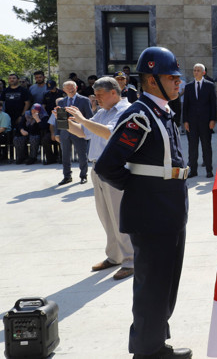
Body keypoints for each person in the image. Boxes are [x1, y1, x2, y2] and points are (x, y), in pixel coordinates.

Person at [94, 46, 191, 359]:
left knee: (166, 284)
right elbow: (107, 166)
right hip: (152, 214)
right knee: (152, 286)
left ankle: (156, 342)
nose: (178, 82)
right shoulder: (139, 116)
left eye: (177, 77)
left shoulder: (161, 112)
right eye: (171, 77)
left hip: (169, 210)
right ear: (151, 80)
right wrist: (139, 190)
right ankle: (148, 352)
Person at [65, 76, 134, 281]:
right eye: (95, 95)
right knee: (106, 216)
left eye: (100, 94)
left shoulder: (125, 110)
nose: (97, 99)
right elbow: (83, 132)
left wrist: (83, 119)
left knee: (120, 216)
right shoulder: (102, 112)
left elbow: (109, 133)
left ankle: (131, 259)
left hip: (115, 169)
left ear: (114, 92)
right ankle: (114, 256)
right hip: (97, 168)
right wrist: (65, 121)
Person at [182, 64, 217, 178]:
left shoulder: (209, 85)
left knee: (206, 146)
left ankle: (209, 170)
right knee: (192, 147)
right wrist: (185, 121)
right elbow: (186, 105)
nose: (196, 72)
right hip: (192, 122)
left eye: (198, 70)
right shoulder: (188, 87)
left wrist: (213, 119)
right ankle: (193, 170)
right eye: (194, 70)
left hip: (205, 122)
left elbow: (213, 104)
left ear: (203, 72)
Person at [55, 81, 93, 185]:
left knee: (82, 155)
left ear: (76, 88)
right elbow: (59, 118)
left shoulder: (84, 100)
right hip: (65, 132)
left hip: (79, 131)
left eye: (72, 87)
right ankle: (67, 176)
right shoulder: (61, 102)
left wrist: (88, 130)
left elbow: (89, 116)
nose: (71, 90)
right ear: (64, 90)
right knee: (65, 156)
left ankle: (83, 176)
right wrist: (57, 133)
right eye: (68, 88)